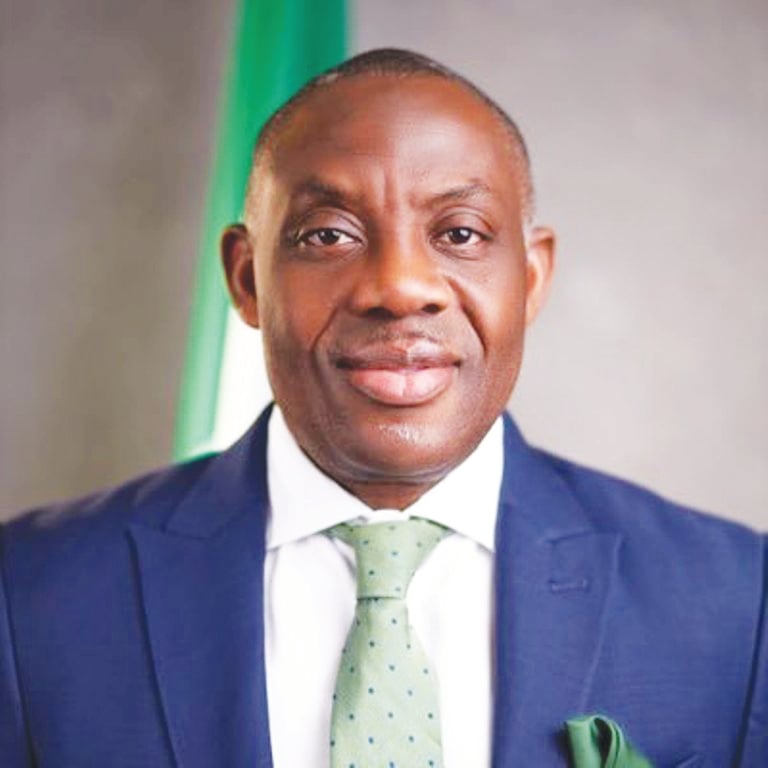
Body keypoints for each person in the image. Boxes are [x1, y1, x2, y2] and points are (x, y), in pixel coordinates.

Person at [0, 48, 765, 768]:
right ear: (247, 279)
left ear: (531, 279)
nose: (399, 287)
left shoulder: (737, 604)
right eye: (328, 235)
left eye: (460, 233)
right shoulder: (28, 599)